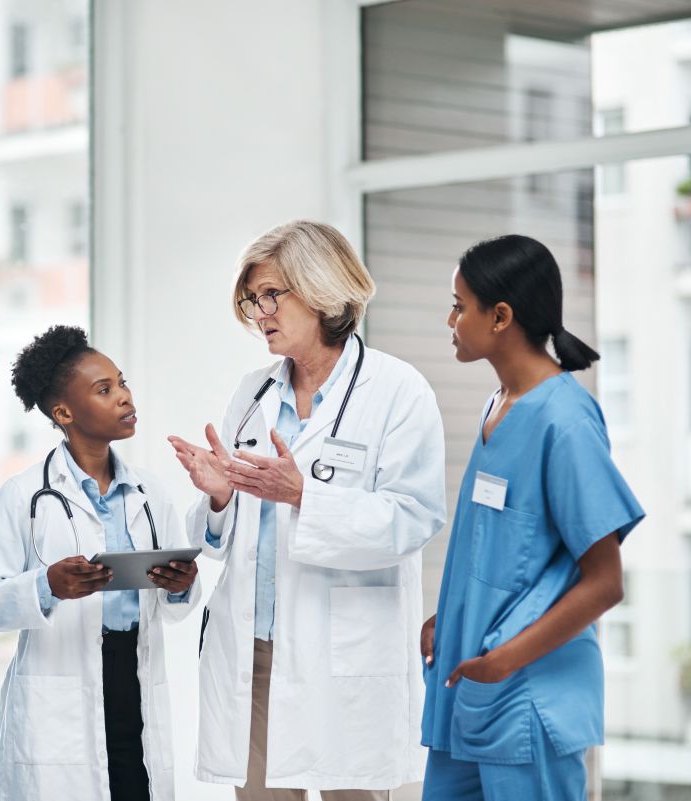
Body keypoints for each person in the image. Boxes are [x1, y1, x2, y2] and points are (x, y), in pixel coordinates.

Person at [169, 220, 447, 800]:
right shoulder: (252, 393)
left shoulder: (398, 390)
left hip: (344, 654)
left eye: (272, 294)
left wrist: (304, 495)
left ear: (321, 289)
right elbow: (224, 531)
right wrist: (219, 495)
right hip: (257, 652)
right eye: (252, 300)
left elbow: (413, 518)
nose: (259, 312)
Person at [420, 234, 645, 801]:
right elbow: (500, 550)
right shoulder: (499, 407)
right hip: (468, 689)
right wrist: (450, 618)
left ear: (500, 316)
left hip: (528, 698)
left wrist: (505, 661)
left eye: (458, 305)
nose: (450, 319)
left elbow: (604, 582)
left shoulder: (565, 420)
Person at [0, 325, 201, 801]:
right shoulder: (22, 496)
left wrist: (180, 583)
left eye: (122, 383)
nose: (124, 397)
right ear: (64, 412)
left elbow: (175, 607)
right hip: (60, 690)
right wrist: (47, 586)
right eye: (105, 390)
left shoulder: (148, 492)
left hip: (133, 679)